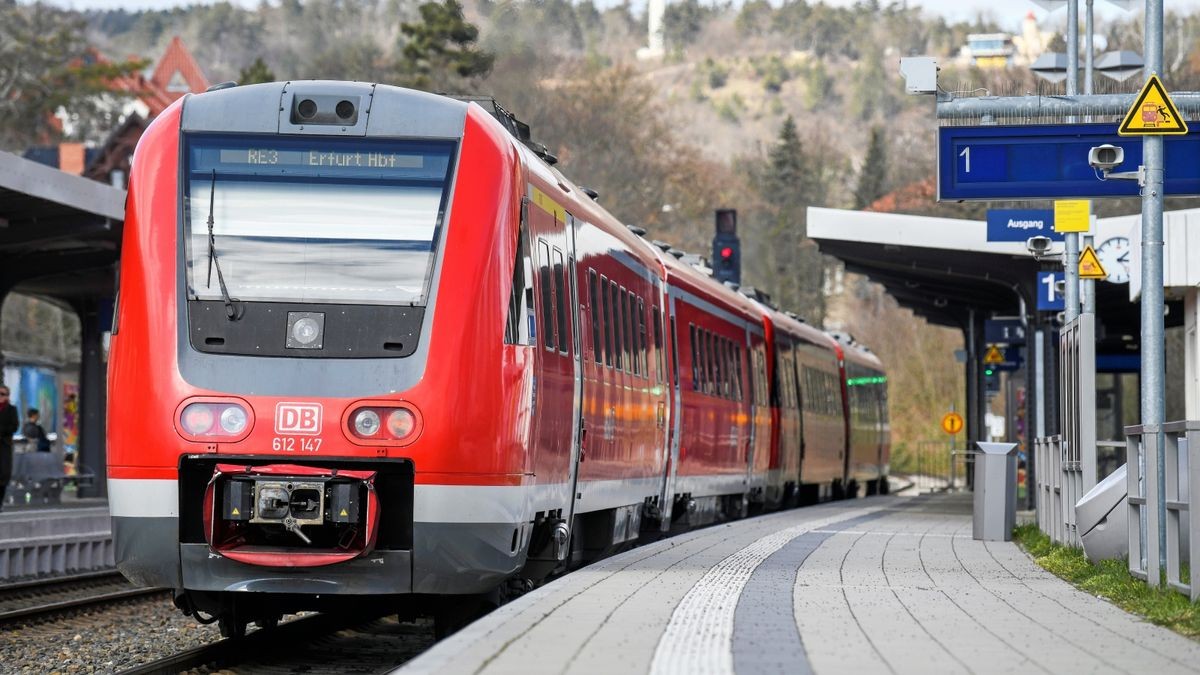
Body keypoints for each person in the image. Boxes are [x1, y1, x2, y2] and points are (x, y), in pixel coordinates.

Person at [0, 387, 20, 511]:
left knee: (3, 474)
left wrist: (2, 431)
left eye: (3, 394)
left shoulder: (11, 410)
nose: (1, 396)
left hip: (4, 445)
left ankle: (0, 501)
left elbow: (14, 426)